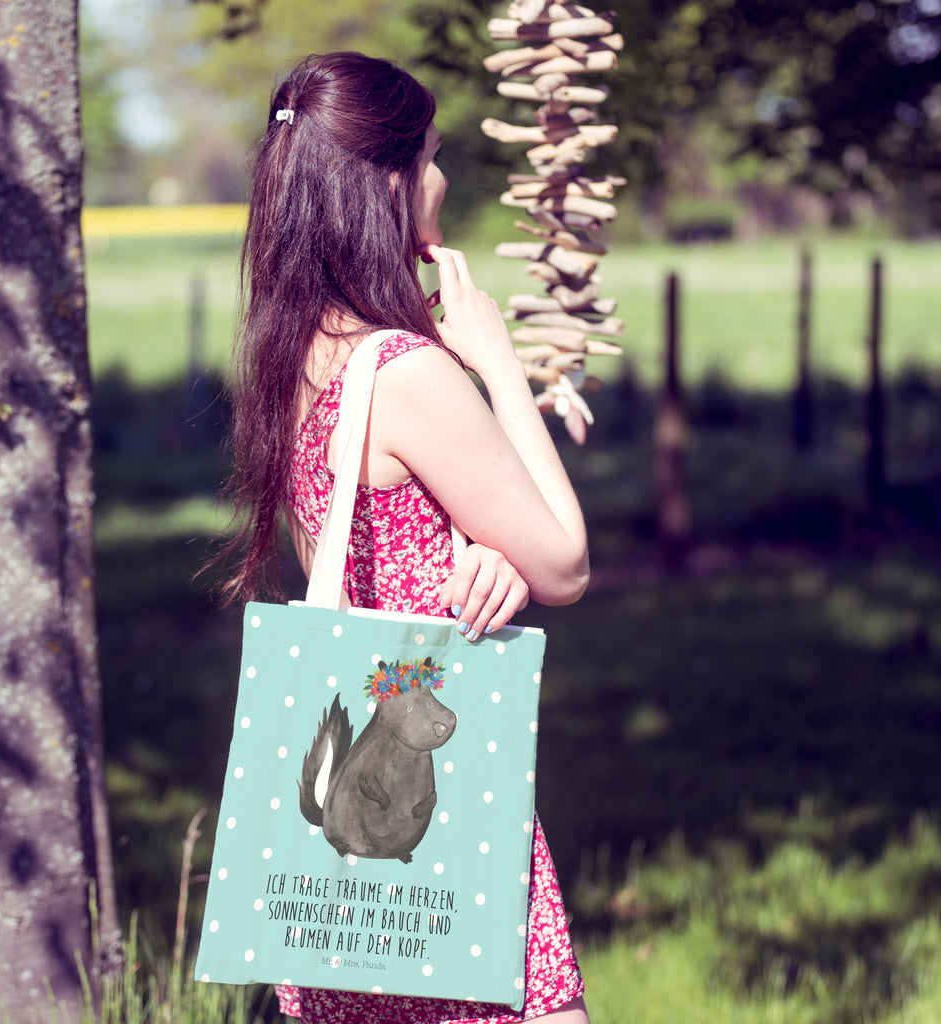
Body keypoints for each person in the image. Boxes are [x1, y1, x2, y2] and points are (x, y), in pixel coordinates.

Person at [218, 51, 591, 1024]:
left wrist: (479, 550)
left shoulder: (295, 354)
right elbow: (565, 562)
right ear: (388, 181)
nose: (442, 179)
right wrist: (498, 365)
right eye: (429, 157)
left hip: (341, 875)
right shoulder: (408, 373)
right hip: (445, 830)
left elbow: (358, 555)